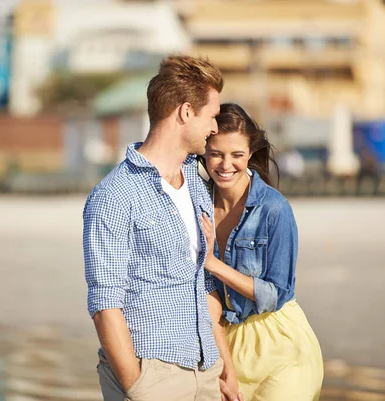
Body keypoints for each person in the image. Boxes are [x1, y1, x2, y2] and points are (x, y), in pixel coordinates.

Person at [83, 55, 242, 401]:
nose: (215, 128)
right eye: (212, 116)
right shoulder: (114, 195)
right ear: (186, 112)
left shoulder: (198, 185)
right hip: (153, 376)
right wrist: (139, 387)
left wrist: (223, 365)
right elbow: (105, 303)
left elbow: (204, 281)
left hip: (206, 371)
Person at [199, 103, 323, 401]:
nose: (226, 165)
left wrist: (213, 264)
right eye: (216, 153)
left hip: (280, 341)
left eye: (237, 155)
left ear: (250, 155)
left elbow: (276, 293)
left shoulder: (274, 209)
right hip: (226, 341)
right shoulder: (197, 203)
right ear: (203, 153)